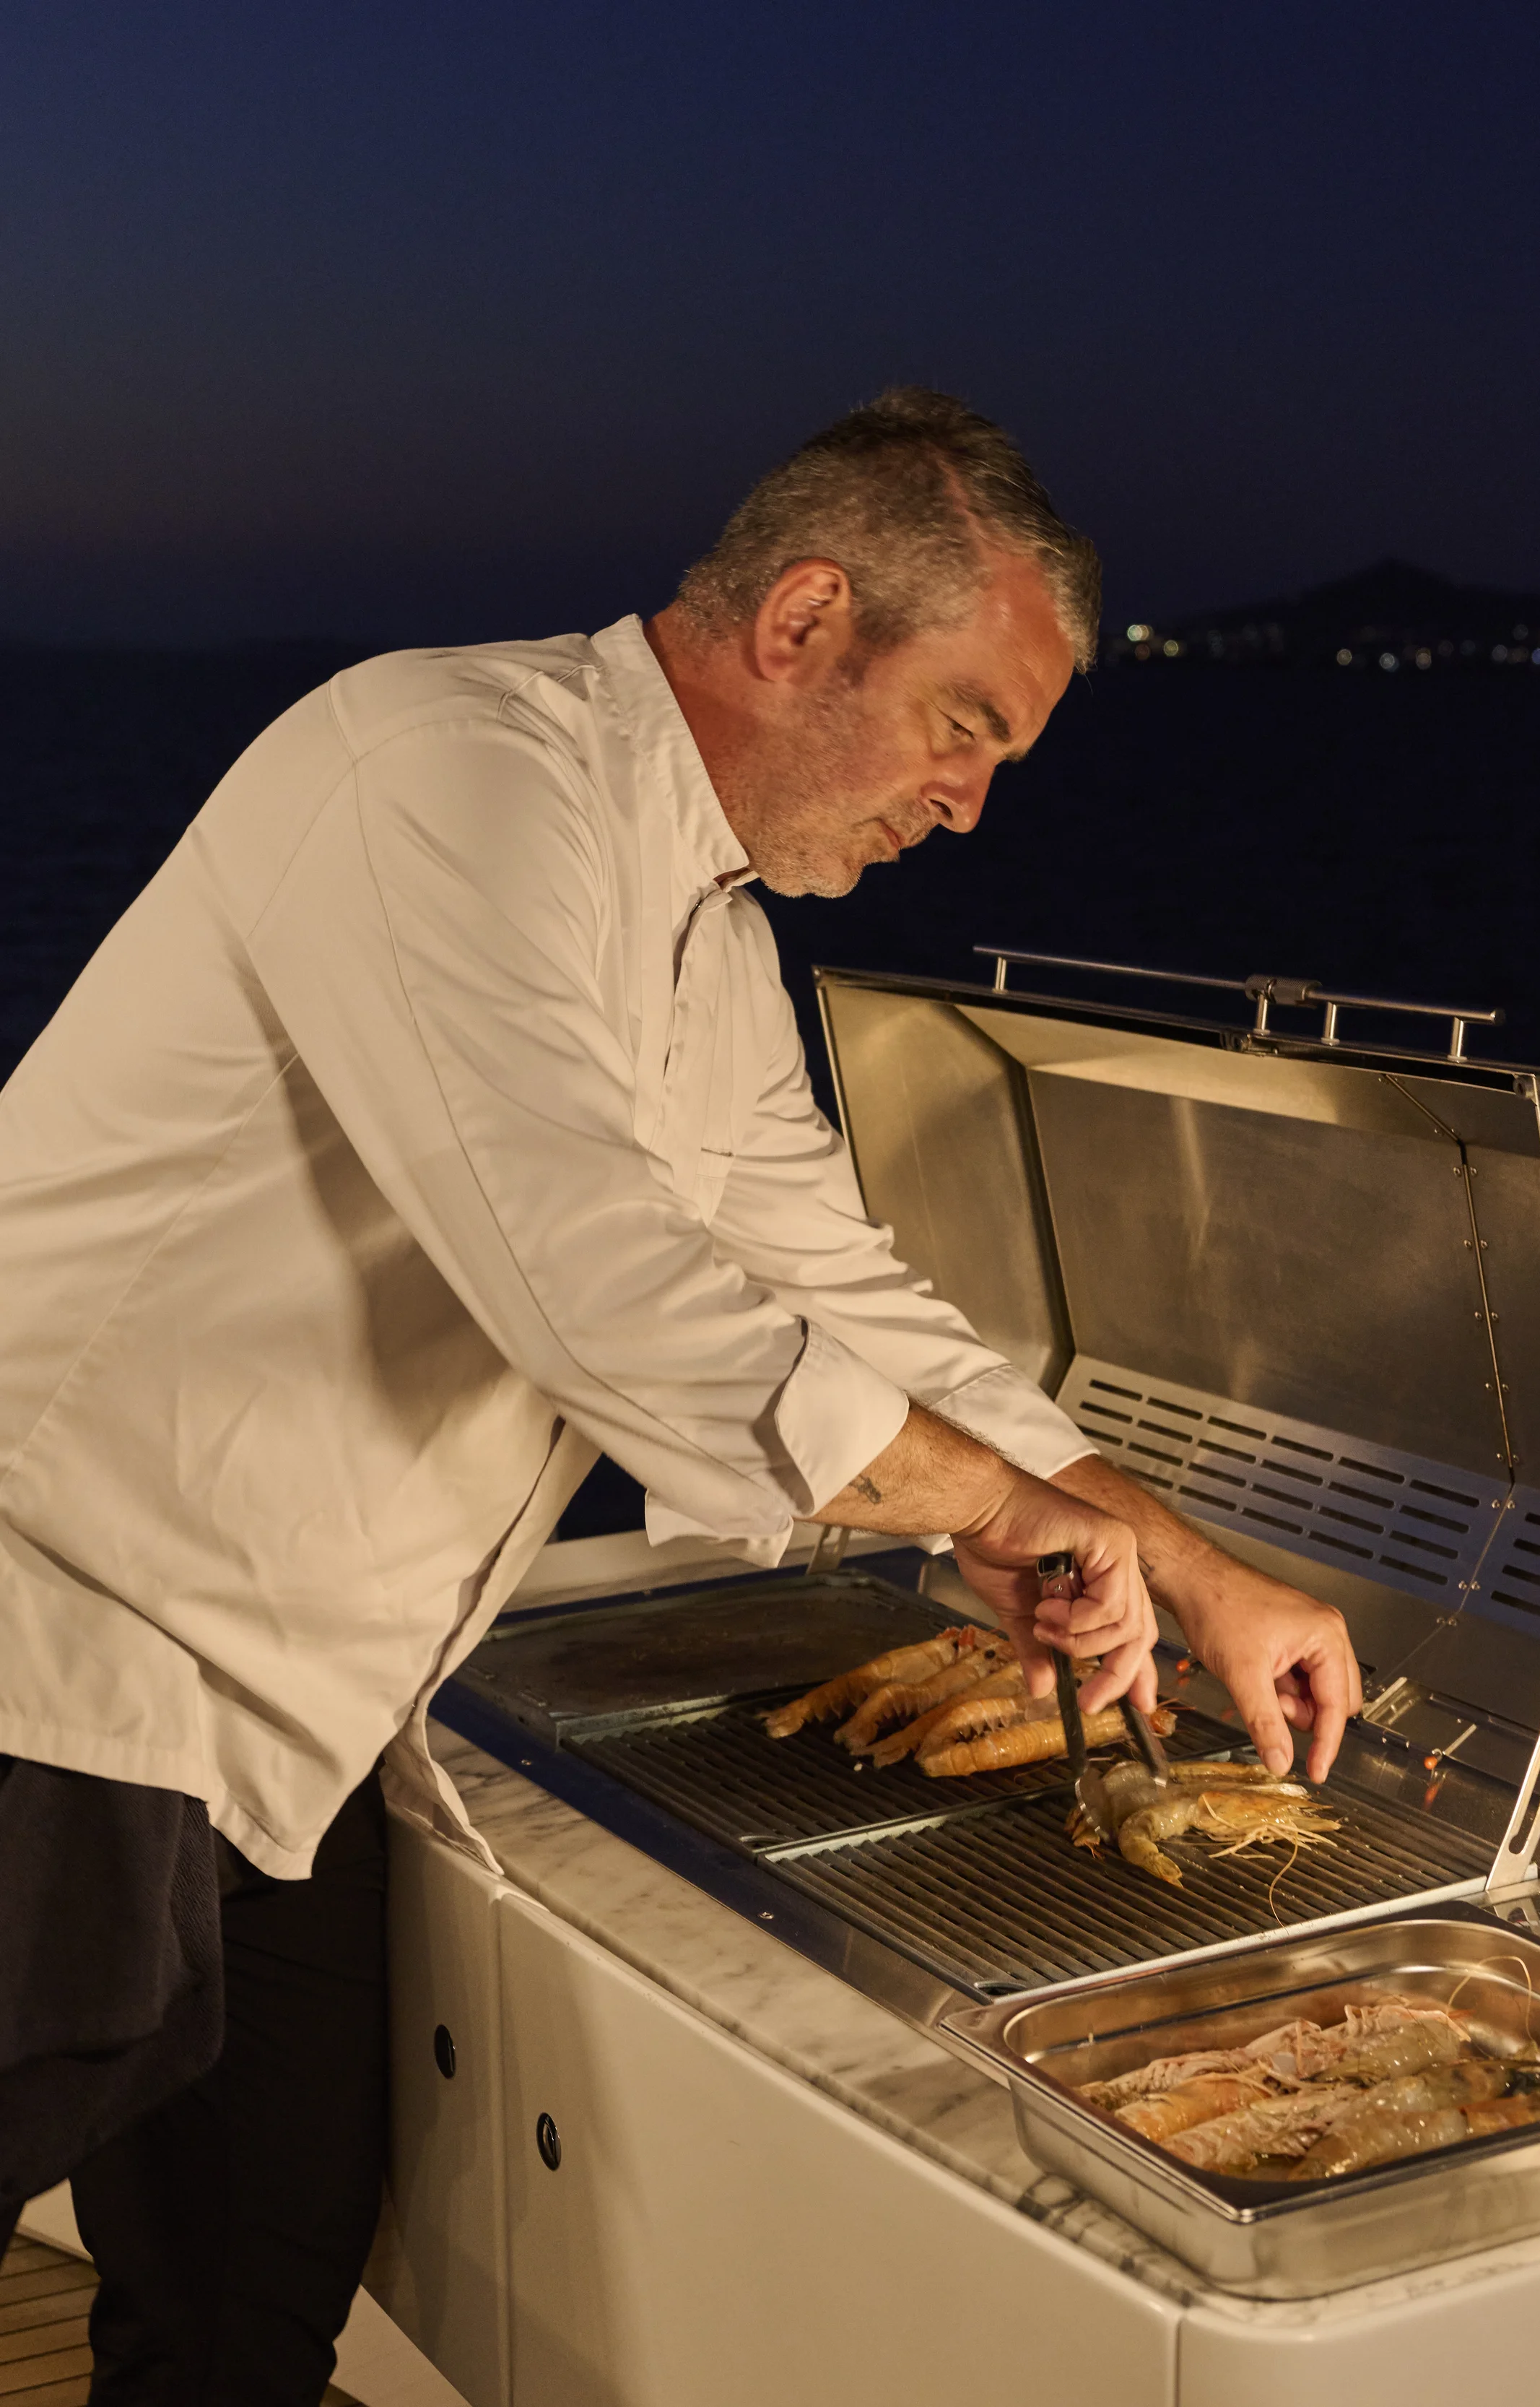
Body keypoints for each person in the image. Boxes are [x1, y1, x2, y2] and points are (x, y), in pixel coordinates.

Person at [0, 388, 1358, 2400]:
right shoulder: (445, 769)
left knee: (241, 2290)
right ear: (806, 623)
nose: (969, 804)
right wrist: (990, 1516)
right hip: (61, 1642)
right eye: (963, 726)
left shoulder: (703, 930)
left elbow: (830, 1280)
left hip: (283, 1714)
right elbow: (598, 1284)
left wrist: (1186, 1557)